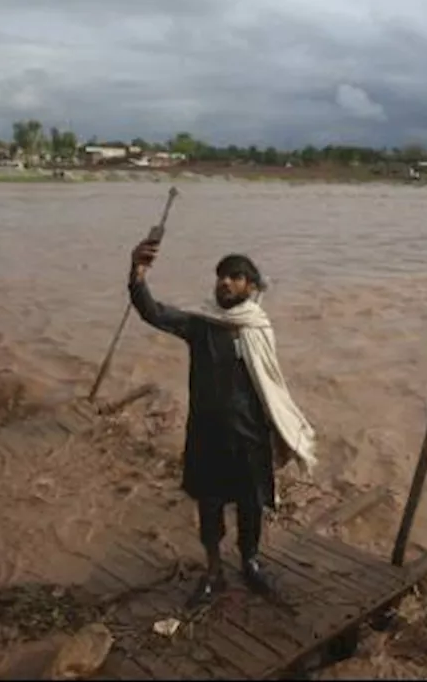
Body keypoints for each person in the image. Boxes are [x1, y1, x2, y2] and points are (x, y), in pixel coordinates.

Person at [128, 239, 317, 608]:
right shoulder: (200, 325)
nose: (225, 282)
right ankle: (213, 571)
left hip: (249, 436)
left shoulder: (258, 327)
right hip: (207, 436)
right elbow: (153, 312)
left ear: (252, 286)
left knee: (252, 506)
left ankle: (250, 562)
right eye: (221, 276)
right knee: (209, 507)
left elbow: (272, 385)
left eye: (235, 276)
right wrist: (137, 273)